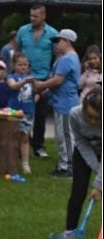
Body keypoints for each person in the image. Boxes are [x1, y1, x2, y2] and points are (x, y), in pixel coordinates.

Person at [33, 29, 80, 178]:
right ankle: (62, 165)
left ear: (67, 42)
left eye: (58, 41)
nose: (56, 44)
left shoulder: (67, 59)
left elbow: (57, 80)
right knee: (61, 136)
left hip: (66, 104)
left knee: (66, 136)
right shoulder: (69, 58)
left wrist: (41, 86)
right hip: (62, 102)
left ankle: (69, 168)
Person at [56, 87, 101, 239]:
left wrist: (99, 186)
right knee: (78, 190)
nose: (93, 122)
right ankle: (70, 230)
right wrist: (96, 167)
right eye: (90, 117)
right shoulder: (75, 114)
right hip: (83, 152)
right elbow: (81, 142)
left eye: (98, 119)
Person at [15, 5, 58, 158]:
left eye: (36, 16)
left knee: (40, 115)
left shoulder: (53, 33)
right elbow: (17, 51)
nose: (32, 19)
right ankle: (21, 144)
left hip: (42, 78)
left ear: (43, 16)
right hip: (24, 78)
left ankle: (38, 146)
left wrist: (52, 77)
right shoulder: (22, 31)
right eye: (31, 15)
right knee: (22, 112)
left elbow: (57, 55)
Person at [6, 53, 36, 176]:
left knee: (25, 138)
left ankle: (25, 164)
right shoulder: (11, 77)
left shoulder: (32, 78)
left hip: (28, 113)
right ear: (13, 65)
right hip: (14, 112)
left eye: (25, 65)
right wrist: (24, 81)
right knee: (12, 138)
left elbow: (37, 91)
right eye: (20, 64)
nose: (23, 67)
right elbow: (13, 86)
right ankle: (11, 163)